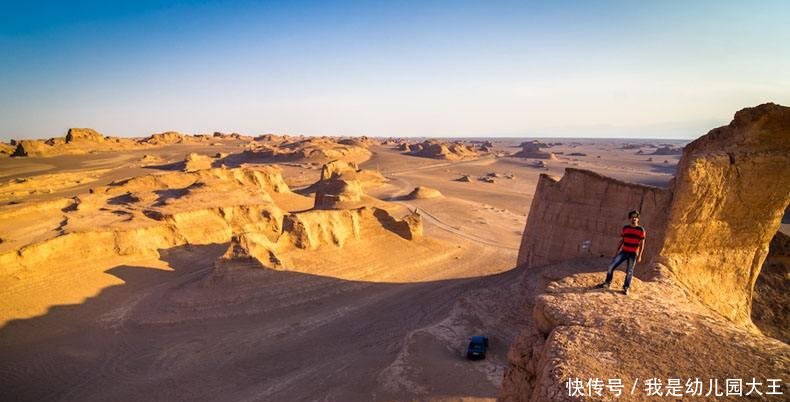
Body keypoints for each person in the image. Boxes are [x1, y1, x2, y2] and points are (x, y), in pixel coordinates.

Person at [596, 210, 646, 295]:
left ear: (638, 219)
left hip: (633, 254)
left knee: (629, 271)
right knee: (611, 266)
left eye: (636, 217)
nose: (634, 219)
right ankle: (607, 283)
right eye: (632, 217)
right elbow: (622, 240)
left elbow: (642, 244)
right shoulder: (625, 228)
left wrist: (640, 255)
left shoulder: (641, 230)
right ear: (630, 218)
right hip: (624, 251)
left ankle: (626, 288)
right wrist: (616, 252)